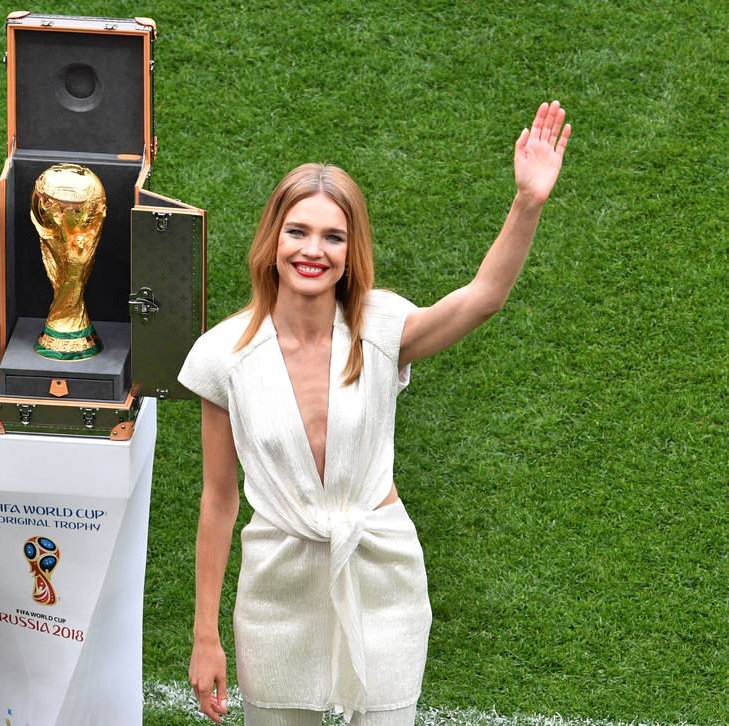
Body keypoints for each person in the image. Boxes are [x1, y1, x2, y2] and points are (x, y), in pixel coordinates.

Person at [180, 102, 571, 725]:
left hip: (382, 573)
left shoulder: (383, 327)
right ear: (272, 239)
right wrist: (206, 636)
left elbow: (482, 299)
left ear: (351, 248)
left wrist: (527, 202)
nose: (314, 250)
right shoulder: (221, 355)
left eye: (333, 236)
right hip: (277, 586)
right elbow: (218, 500)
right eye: (298, 232)